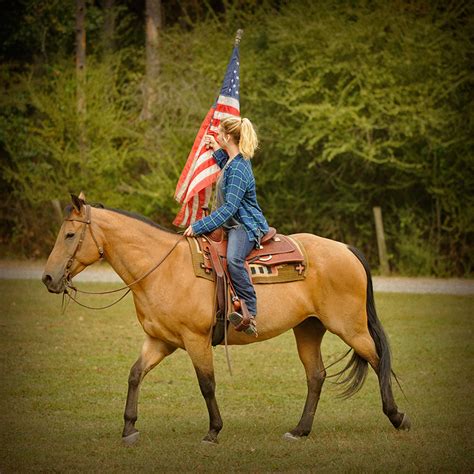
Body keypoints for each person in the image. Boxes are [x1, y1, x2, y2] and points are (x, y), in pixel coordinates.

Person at [183, 117, 269, 336]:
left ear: (228, 137)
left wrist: (200, 225)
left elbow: (230, 207)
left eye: (220, 133)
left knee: (233, 260)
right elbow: (227, 171)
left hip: (245, 226)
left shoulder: (239, 167)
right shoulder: (232, 162)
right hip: (232, 225)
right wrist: (215, 150)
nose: (217, 135)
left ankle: (251, 313)